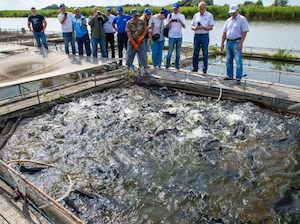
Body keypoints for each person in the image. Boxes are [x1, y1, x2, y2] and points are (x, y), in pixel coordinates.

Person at [221, 4, 249, 84]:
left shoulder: (242, 19)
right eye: (231, 13)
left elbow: (244, 32)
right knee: (228, 60)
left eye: (233, 12)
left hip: (237, 42)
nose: (232, 14)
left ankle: (238, 78)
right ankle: (229, 75)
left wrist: (241, 43)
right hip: (228, 42)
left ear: (237, 11)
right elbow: (224, 32)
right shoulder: (228, 20)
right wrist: (222, 43)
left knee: (238, 61)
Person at [191, 2, 214, 75]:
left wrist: (203, 27)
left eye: (202, 9)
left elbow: (211, 27)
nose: (201, 10)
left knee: (205, 53)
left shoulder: (209, 15)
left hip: (204, 35)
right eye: (199, 9)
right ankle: (195, 68)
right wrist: (195, 28)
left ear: (205, 8)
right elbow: (191, 26)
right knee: (195, 53)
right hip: (197, 35)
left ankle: (204, 70)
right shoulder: (196, 15)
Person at [125, 9, 148, 75]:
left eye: (137, 15)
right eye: (135, 15)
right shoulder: (128, 23)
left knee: (143, 55)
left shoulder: (142, 22)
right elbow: (128, 33)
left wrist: (141, 38)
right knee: (129, 55)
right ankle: (127, 70)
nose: (136, 17)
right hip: (131, 42)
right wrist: (133, 42)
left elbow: (145, 30)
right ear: (131, 15)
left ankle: (145, 70)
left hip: (141, 42)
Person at [165, 2, 186, 70]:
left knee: (178, 52)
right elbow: (166, 26)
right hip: (171, 36)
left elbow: (184, 26)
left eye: (176, 9)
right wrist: (170, 21)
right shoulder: (170, 15)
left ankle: (177, 66)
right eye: (174, 9)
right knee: (170, 51)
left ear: (179, 9)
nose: (175, 10)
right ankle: (167, 65)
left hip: (179, 36)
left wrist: (180, 21)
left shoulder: (182, 16)